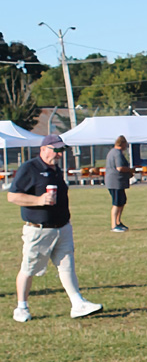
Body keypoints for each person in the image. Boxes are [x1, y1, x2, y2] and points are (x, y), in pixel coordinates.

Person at [7, 134, 103, 322]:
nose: (59, 154)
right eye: (56, 150)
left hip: (62, 227)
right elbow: (13, 196)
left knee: (67, 267)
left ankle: (77, 303)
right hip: (39, 230)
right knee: (29, 268)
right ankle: (21, 307)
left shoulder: (57, 170)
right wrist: (39, 200)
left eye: (61, 150)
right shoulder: (30, 168)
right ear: (43, 149)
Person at [104, 135, 134, 232]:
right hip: (115, 182)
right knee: (116, 203)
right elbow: (120, 168)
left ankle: (118, 221)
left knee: (122, 201)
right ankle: (114, 225)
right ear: (122, 143)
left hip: (118, 182)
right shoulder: (117, 153)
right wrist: (130, 170)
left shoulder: (113, 152)